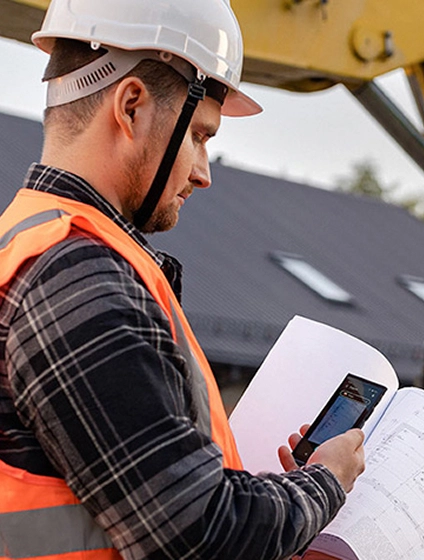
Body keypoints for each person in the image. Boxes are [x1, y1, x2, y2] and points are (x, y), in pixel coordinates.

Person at [0, 1, 364, 559]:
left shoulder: (29, 244)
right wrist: (325, 483)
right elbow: (197, 533)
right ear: (131, 106)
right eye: (199, 135)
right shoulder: (76, 278)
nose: (203, 172)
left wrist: (274, 496)